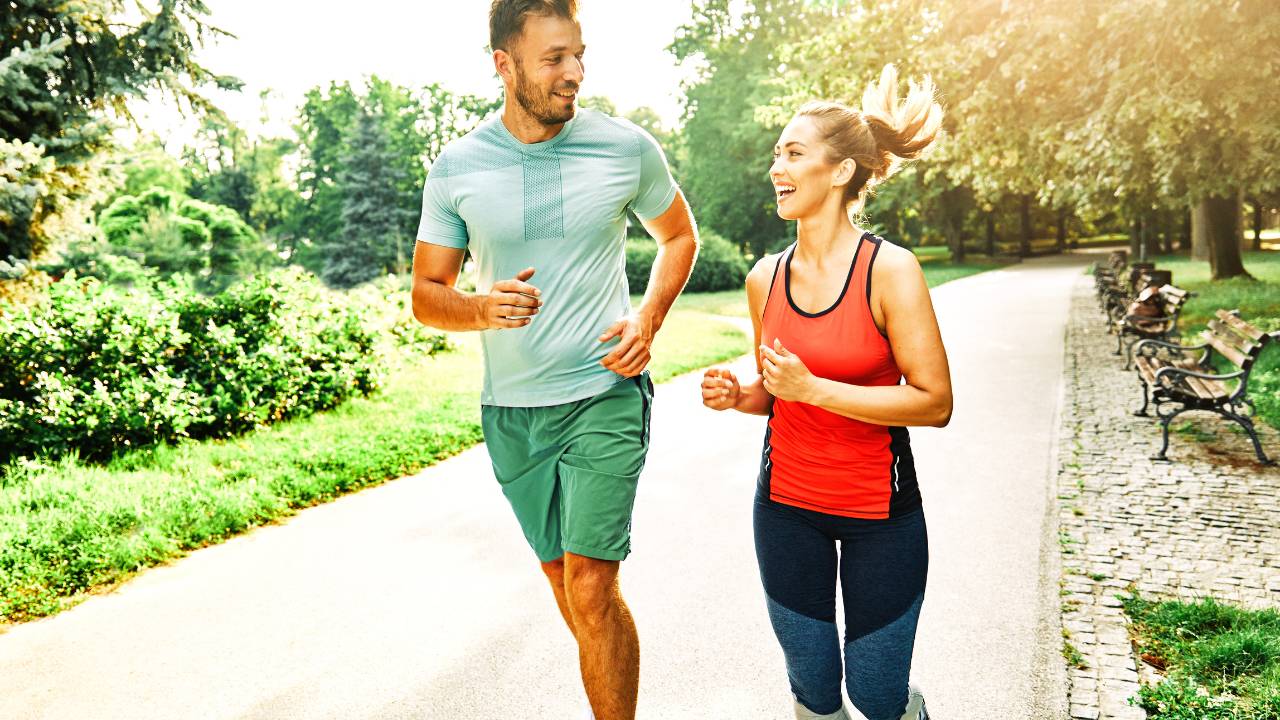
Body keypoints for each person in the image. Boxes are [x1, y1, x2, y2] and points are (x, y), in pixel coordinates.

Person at [411, 2, 697, 718]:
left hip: (605, 392)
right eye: (553, 59)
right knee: (571, 590)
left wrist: (648, 317)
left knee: (594, 588)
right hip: (513, 415)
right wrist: (479, 308)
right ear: (504, 65)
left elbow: (679, 237)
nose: (574, 74)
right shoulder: (458, 167)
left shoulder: (626, 147)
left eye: (579, 54)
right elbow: (424, 294)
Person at [700, 65, 952, 720]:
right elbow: (777, 395)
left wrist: (815, 388)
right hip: (786, 509)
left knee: (875, 694)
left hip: (880, 517)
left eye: (793, 153)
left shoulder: (890, 271)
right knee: (813, 692)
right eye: (776, 154)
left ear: (840, 172)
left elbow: (934, 401)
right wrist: (743, 394)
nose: (776, 168)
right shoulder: (764, 278)